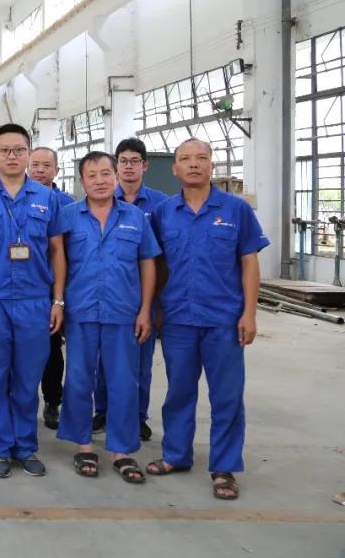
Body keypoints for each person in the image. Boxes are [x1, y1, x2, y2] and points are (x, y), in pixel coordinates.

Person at [146, 138, 268, 501]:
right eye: (185, 159)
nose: (194, 164)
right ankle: (176, 455)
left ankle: (224, 467)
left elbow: (249, 262)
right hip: (178, 319)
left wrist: (249, 313)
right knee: (179, 392)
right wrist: (155, 308)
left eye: (201, 158)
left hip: (223, 320)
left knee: (227, 397)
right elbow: (156, 266)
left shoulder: (235, 210)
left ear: (212, 165)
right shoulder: (164, 213)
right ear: (175, 169)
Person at [0, 124, 65, 479]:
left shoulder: (47, 199)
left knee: (27, 377)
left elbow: (57, 252)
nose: (12, 156)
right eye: (4, 150)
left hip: (35, 300)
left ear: (28, 153)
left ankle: (24, 445)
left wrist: (58, 301)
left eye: (19, 150)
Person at [56, 151, 160, 484]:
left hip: (123, 312)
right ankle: (83, 445)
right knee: (78, 379)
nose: (99, 181)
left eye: (105, 173)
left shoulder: (135, 217)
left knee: (123, 381)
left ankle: (122, 450)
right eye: (92, 175)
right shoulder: (67, 216)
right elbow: (58, 262)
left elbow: (148, 263)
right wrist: (58, 303)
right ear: (81, 181)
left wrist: (145, 309)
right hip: (81, 310)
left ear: (115, 177)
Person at [93, 137, 171, 438]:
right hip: (106, 293)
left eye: (134, 161)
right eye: (123, 161)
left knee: (140, 361)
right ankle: (103, 411)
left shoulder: (161, 205)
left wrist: (155, 303)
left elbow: (160, 257)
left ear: (144, 165)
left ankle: (137, 416)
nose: (128, 167)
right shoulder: (100, 198)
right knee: (103, 360)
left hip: (143, 296)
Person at [24, 146, 75, 431]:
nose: (40, 170)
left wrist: (60, 297)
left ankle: (53, 400)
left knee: (52, 348)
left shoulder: (67, 204)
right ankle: (19, 403)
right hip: (22, 286)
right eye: (36, 165)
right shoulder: (17, 197)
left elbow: (65, 251)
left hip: (53, 287)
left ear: (56, 169)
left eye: (46, 165)